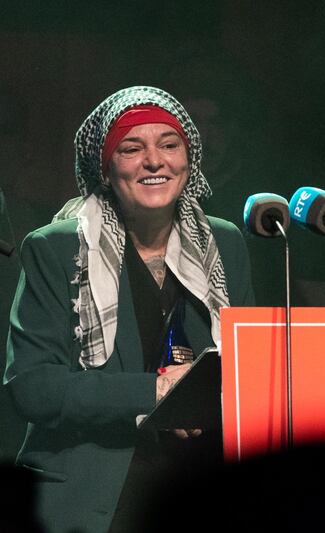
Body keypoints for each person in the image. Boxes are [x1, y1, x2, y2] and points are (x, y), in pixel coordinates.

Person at [3, 86, 255, 533]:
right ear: (105, 167)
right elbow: (33, 387)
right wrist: (159, 395)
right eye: (132, 148)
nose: (154, 161)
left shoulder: (225, 241)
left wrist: (200, 404)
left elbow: (245, 370)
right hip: (88, 499)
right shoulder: (56, 247)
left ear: (188, 159)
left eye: (169, 145)